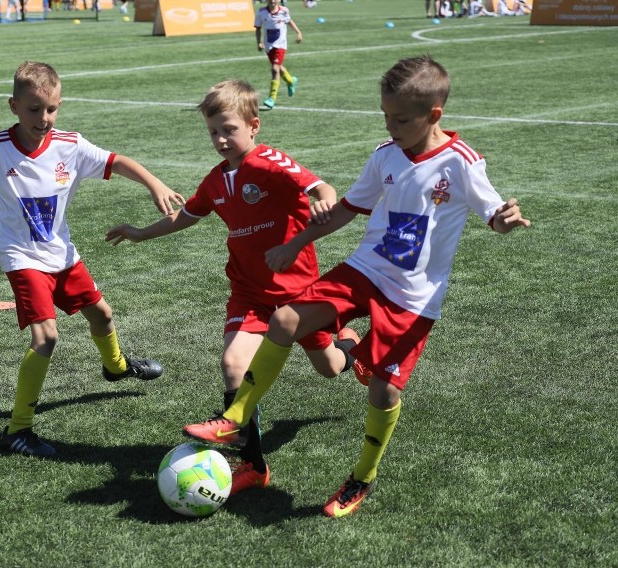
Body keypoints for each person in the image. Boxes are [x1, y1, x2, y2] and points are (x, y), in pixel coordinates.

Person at [183, 55, 531, 517]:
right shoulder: (385, 155)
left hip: (414, 295)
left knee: (383, 392)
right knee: (286, 319)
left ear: (434, 116)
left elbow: (493, 215)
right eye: (385, 115)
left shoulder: (461, 162)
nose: (390, 125)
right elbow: (347, 208)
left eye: (400, 119)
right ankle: (234, 419)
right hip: (365, 269)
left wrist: (504, 221)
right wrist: (299, 242)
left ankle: (360, 477)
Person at [106, 79, 371, 494]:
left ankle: (350, 344)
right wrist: (141, 233)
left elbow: (319, 187)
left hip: (298, 295)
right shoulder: (215, 181)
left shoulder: (270, 163)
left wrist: (323, 199)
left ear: (253, 126)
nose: (221, 139)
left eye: (229, 129)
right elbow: (187, 216)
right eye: (213, 131)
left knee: (330, 369)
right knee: (233, 365)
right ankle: (252, 463)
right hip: (248, 293)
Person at [0, 61, 186, 458]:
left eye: (52, 108)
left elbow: (116, 161)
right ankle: (19, 430)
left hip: (61, 253)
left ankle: (115, 367)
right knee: (46, 337)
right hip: (20, 255)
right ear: (13, 106)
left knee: (103, 316)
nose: (44, 118)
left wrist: (154, 183)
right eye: (33, 109)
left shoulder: (70, 145)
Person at [254, 0, 302, 110]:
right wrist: (259, 42)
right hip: (268, 46)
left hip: (280, 45)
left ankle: (272, 98)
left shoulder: (284, 11)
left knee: (275, 69)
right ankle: (291, 81)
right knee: (278, 67)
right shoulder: (261, 12)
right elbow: (258, 28)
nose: (272, 0)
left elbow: (289, 21)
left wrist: (298, 32)